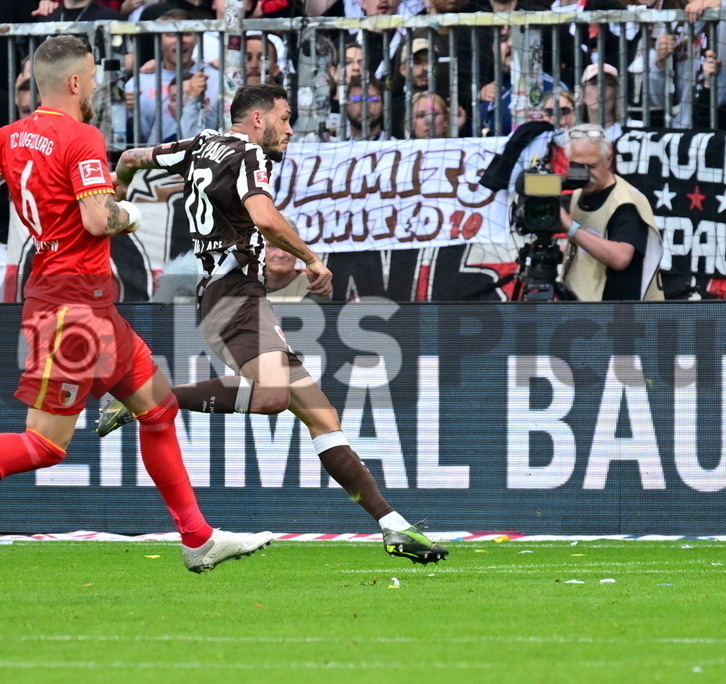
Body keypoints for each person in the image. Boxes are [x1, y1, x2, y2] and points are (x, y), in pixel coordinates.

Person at [102, 84, 448, 565]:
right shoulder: (248, 153)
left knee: (322, 418)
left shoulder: (199, 145)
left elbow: (131, 158)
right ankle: (147, 398)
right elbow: (264, 218)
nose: (290, 129)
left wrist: (116, 193)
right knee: (271, 397)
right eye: (285, 119)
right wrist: (311, 258)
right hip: (233, 296)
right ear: (258, 119)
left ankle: (393, 526)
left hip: (236, 296)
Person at [0, 35, 272, 573]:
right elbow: (98, 220)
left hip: (84, 303)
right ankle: (197, 537)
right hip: (72, 310)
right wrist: (130, 215)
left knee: (159, 408)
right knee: (45, 446)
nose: (96, 87)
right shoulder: (80, 136)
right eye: (92, 79)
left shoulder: (10, 137)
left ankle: (197, 538)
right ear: (74, 82)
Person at [558, 124, 664, 301]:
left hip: (619, 309)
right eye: (578, 166)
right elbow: (591, 241)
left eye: (592, 166)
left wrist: (570, 228)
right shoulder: (578, 194)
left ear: (608, 159)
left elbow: (620, 258)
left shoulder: (625, 202)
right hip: (582, 304)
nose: (585, 174)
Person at [124, 9, 220, 145]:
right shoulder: (139, 82)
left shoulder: (216, 78)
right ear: (159, 40)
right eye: (171, 34)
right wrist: (122, 110)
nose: (180, 40)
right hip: (154, 157)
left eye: (186, 33)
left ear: (197, 39)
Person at [264, 244, 331, 302]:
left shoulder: (311, 286)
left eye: (288, 247)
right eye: (272, 246)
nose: (280, 255)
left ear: (297, 252)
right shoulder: (257, 283)